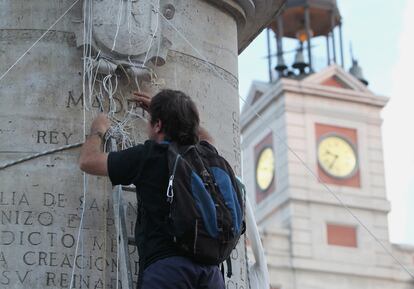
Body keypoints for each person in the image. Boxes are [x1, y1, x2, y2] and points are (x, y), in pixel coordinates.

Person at [79, 89, 225, 289]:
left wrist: (98, 130)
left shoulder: (150, 156)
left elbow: (88, 161)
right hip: (211, 273)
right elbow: (207, 137)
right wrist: (173, 113)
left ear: (157, 125)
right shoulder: (206, 155)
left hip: (168, 270)